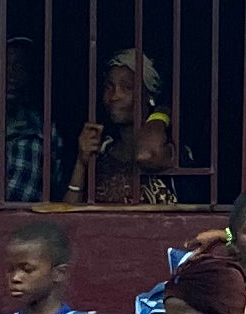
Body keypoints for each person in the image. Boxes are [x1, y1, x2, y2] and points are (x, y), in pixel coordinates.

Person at [71, 47, 174, 205]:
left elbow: (146, 154)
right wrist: (81, 161)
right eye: (109, 87)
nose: (115, 96)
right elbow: (68, 216)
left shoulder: (169, 146)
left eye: (127, 88)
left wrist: (161, 111)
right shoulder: (103, 149)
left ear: (149, 96)